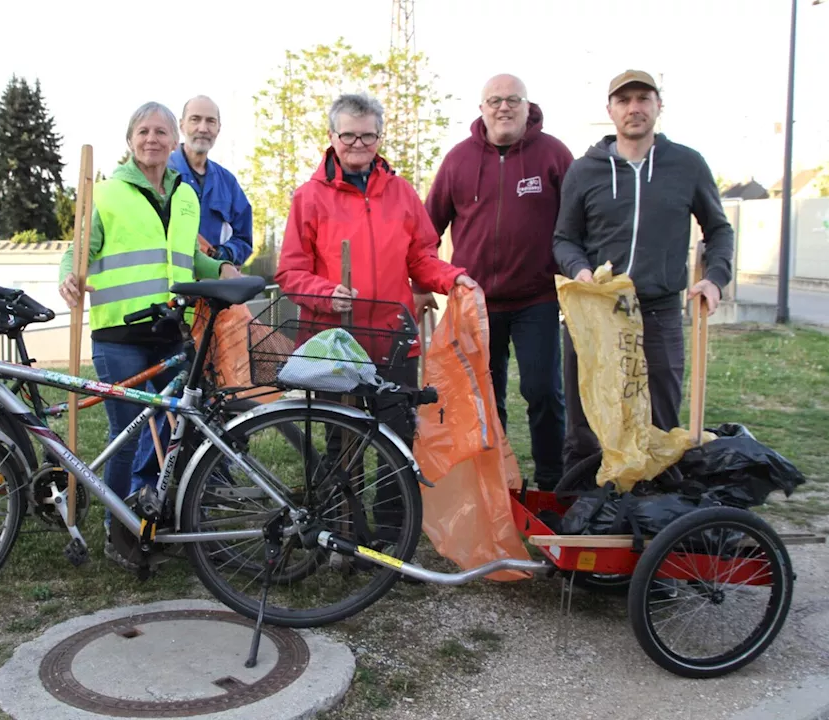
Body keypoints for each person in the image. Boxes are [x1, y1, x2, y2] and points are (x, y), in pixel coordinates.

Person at [276, 93, 476, 546]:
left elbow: (422, 258)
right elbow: (290, 272)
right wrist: (328, 294)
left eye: (368, 135)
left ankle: (390, 536)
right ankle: (336, 530)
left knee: (396, 441)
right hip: (336, 343)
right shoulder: (309, 198)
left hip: (391, 337)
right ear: (332, 137)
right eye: (348, 134)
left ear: (379, 137)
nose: (358, 143)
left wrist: (454, 278)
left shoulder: (401, 193)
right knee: (339, 438)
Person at [58, 101, 242, 569]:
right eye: (144, 131)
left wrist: (218, 266)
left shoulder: (184, 195)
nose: (153, 139)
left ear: (172, 140)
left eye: (160, 131)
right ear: (130, 139)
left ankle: (147, 519)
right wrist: (69, 275)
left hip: (168, 328)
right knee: (127, 430)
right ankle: (115, 532)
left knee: (164, 430)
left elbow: (186, 258)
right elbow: (80, 249)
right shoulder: (107, 194)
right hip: (119, 333)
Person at [552, 69, 735, 486]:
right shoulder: (585, 171)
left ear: (658, 106)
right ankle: (581, 510)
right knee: (587, 416)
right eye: (624, 100)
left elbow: (719, 229)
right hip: (599, 312)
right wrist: (581, 272)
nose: (634, 108)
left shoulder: (687, 165)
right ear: (610, 110)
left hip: (658, 312)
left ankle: (655, 514)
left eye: (643, 99)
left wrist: (715, 279)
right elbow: (565, 239)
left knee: (659, 414)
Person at [425, 73, 575, 491]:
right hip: (476, 302)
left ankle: (551, 484)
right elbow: (427, 228)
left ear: (528, 107)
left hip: (537, 298)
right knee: (484, 399)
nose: (503, 107)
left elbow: (579, 220)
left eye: (513, 100)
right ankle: (496, 483)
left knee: (543, 391)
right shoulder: (458, 160)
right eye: (494, 100)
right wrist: (425, 281)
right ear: (482, 108)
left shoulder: (554, 155)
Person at [168, 95, 254, 265]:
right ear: (181, 125)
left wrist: (226, 254)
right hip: (169, 283)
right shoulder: (162, 173)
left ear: (218, 128)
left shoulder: (227, 183)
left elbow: (244, 238)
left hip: (212, 286)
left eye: (210, 121)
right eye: (195, 120)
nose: (203, 128)